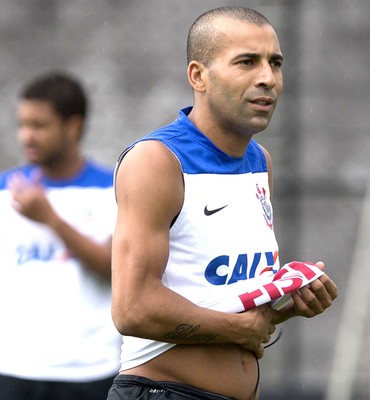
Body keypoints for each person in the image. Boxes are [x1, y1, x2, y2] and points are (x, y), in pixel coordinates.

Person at [108, 6, 338, 400]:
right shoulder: (157, 161)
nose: (267, 78)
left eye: (275, 63)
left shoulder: (259, 160)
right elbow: (133, 309)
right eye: (247, 62)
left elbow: (223, 299)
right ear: (199, 76)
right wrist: (239, 330)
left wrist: (286, 304)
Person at [0, 72, 121, 400]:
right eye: (22, 125)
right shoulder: (4, 190)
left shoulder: (113, 188)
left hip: (89, 369)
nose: (26, 136)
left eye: (39, 125)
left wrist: (50, 219)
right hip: (13, 368)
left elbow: (114, 268)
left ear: (73, 126)